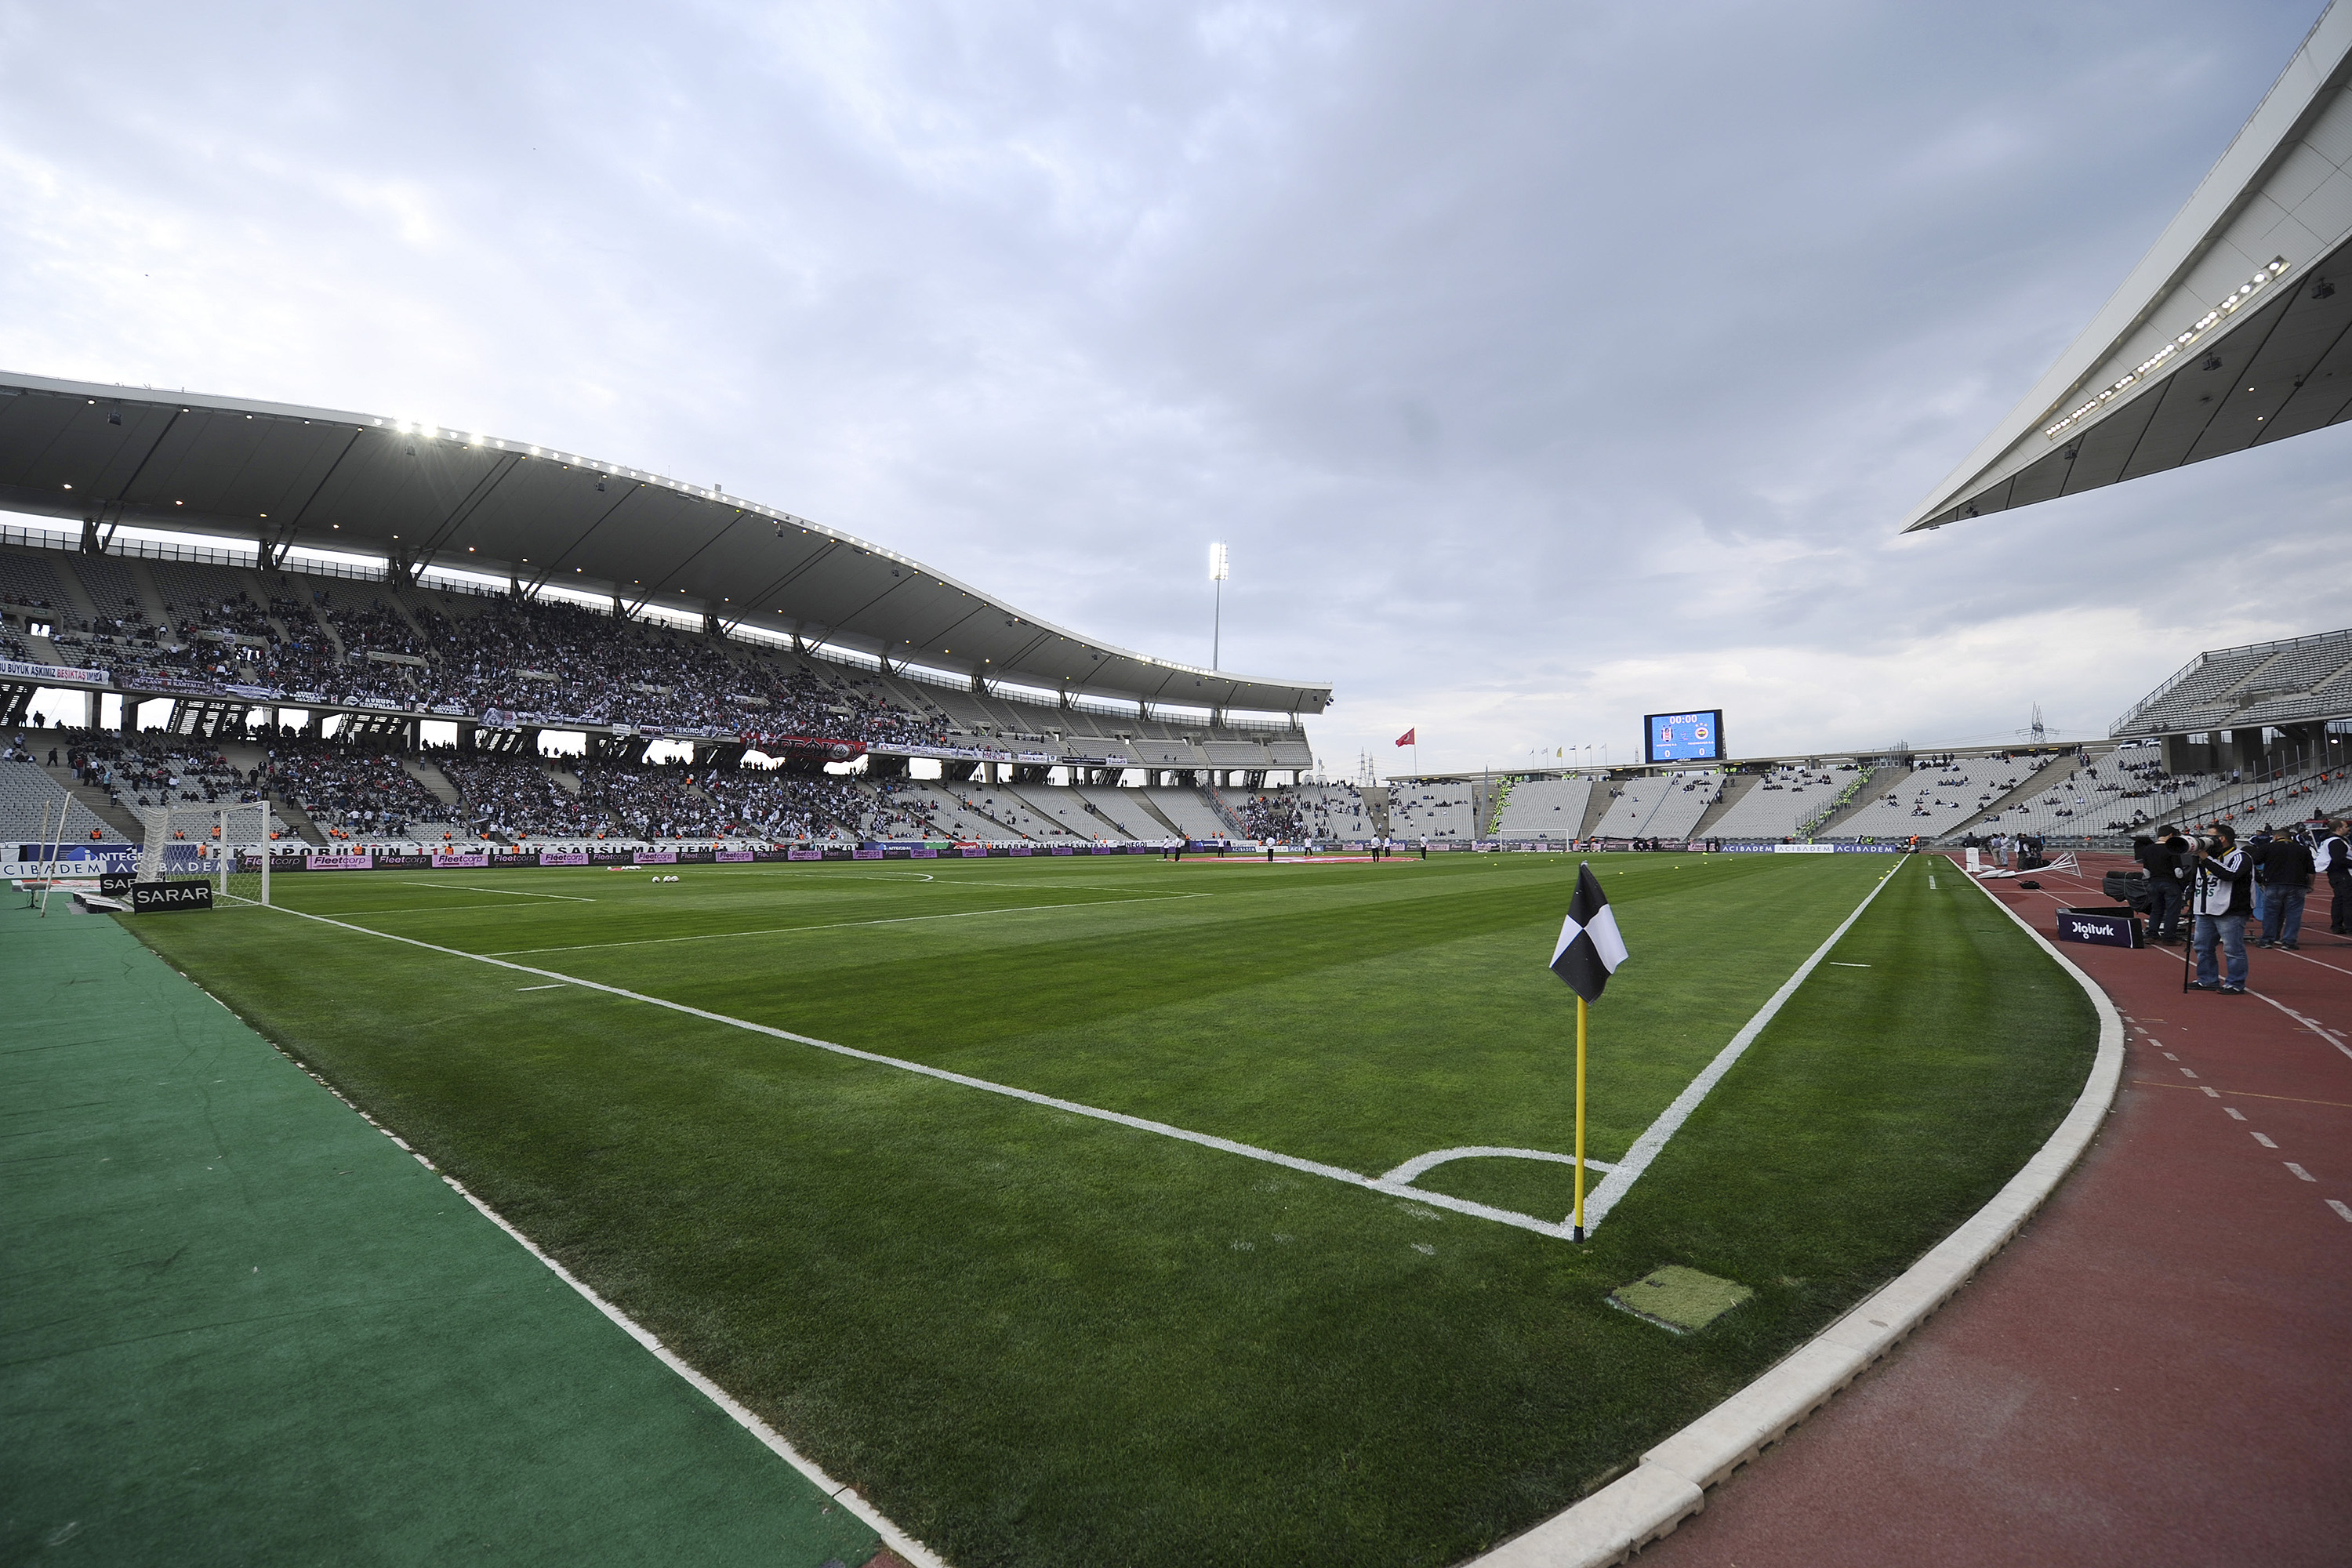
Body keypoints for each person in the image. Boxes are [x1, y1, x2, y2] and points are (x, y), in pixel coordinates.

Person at [2187, 824, 2252, 994]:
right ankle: (2207, 979)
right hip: (2204, 908)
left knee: (2232, 949)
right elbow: (2195, 878)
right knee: (2202, 946)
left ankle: (2235, 983)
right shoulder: (2206, 858)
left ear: (2221, 839)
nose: (2206, 839)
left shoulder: (2240, 856)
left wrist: (2205, 857)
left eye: (2210, 836)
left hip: (2230, 910)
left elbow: (2230, 875)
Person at [2256, 828, 2313, 951]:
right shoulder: (2303, 849)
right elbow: (2311, 871)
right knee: (2294, 914)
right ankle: (2289, 941)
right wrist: (2310, 885)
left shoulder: (2268, 848)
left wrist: (2260, 879)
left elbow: (2255, 861)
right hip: (2297, 884)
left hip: (2273, 883)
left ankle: (2267, 939)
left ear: (2276, 837)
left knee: (2271, 913)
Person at [2143, 825, 2188, 945]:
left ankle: (2152, 934)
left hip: (2154, 883)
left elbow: (2146, 872)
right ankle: (2169, 937)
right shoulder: (2171, 849)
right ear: (2170, 835)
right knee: (2172, 911)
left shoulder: (2148, 849)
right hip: (2170, 883)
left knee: (2156, 910)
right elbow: (2178, 872)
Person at [2318, 818, 2351, 936]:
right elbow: (2339, 860)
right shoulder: (2336, 842)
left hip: (2337, 874)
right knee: (2347, 900)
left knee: (2340, 899)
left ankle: (2337, 925)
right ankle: (2348, 926)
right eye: (2346, 827)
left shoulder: (2331, 840)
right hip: (2342, 874)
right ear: (2339, 829)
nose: (2348, 829)